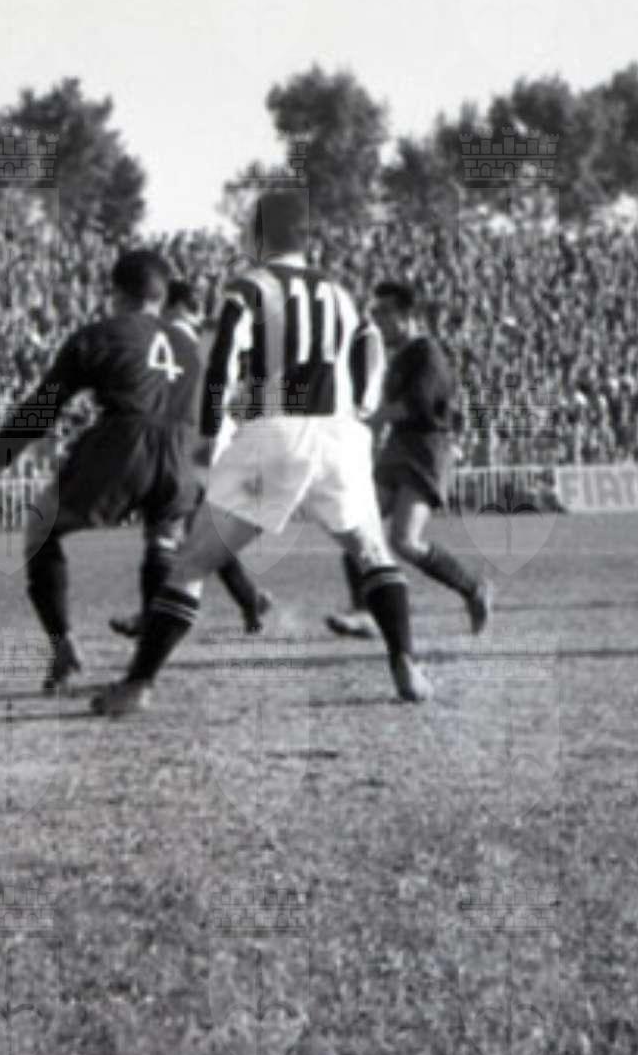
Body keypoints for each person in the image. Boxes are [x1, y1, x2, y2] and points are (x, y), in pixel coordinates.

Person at [92, 194, 431, 717]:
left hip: (274, 435)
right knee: (372, 553)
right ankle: (405, 663)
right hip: (339, 437)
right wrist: (361, 407)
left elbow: (223, 363)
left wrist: (211, 433)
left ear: (259, 236)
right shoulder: (341, 294)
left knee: (192, 563)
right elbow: (369, 350)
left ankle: (138, 684)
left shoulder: (250, 288)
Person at [0, 248, 200, 694]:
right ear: (162, 296)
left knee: (41, 527)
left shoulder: (102, 335)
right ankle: (142, 670)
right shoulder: (190, 349)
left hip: (125, 444)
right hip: (180, 452)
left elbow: (45, 406)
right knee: (162, 541)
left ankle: (63, 648)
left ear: (117, 293)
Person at [108, 279, 275, 641]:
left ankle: (151, 617)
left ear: (174, 305)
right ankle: (251, 601)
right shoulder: (206, 335)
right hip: (207, 438)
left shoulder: (177, 339)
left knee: (165, 529)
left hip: (193, 440)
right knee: (199, 534)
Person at [325, 280, 491, 641]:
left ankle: (472, 589)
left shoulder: (427, 353)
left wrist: (369, 420)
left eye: (384, 312)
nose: (378, 320)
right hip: (399, 447)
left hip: (426, 451)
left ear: (407, 315)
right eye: (375, 313)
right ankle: (364, 612)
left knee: (404, 541)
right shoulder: (401, 355)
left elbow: (416, 405)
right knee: (357, 525)